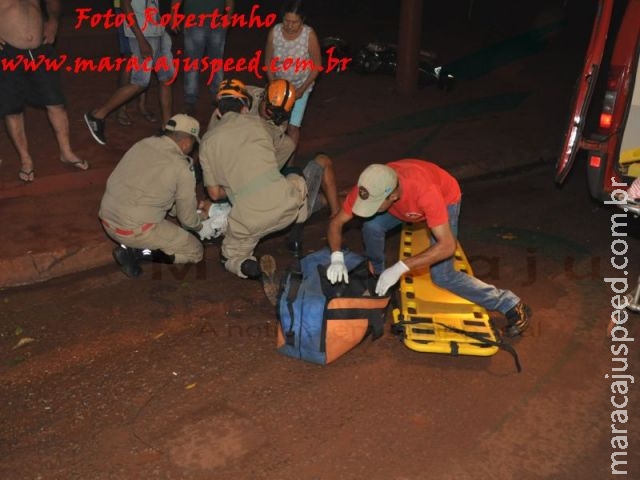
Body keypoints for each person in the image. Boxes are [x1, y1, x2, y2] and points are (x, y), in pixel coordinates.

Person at [326, 160, 532, 338]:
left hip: (445, 199)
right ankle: (378, 275)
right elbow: (336, 223)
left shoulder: (425, 192)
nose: (365, 209)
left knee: (443, 276)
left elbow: (447, 246)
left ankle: (510, 303)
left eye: (373, 204)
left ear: (393, 196)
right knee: (371, 225)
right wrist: (336, 257)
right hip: (405, 207)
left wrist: (400, 267)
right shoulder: (371, 186)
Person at [199, 78, 339, 288]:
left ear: (220, 111)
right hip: (287, 208)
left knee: (231, 257)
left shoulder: (209, 139)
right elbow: (287, 145)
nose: (270, 115)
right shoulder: (259, 123)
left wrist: (239, 183)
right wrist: (265, 173)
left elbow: (215, 193)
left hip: (249, 220)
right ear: (247, 107)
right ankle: (297, 225)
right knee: (295, 180)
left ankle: (248, 266)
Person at [99, 114, 211, 278]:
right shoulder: (181, 167)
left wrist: (175, 210)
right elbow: (187, 220)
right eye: (193, 143)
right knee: (195, 252)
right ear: (187, 141)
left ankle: (134, 246)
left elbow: (154, 185)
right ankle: (137, 253)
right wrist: (200, 223)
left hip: (107, 218)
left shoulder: (142, 144)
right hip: (131, 230)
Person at [0, 0, 88, 183]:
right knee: (12, 109)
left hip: (40, 51)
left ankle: (66, 152)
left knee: (56, 102)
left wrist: (54, 20)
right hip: (7, 52)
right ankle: (26, 160)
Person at [85, 0, 174, 145]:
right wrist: (141, 40)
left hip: (158, 31)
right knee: (140, 83)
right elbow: (126, 7)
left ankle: (167, 128)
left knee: (166, 78)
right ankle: (98, 115)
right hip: (142, 35)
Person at [264, 0, 322, 149]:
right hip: (278, 86)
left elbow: (316, 67)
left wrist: (302, 90)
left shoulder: (309, 35)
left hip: (300, 86)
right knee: (273, 124)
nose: (289, 26)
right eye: (286, 21)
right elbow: (268, 61)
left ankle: (289, 162)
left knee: (293, 127)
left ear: (302, 20)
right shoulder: (275, 32)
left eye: (294, 22)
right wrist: (273, 84)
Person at [207, 79, 298, 169]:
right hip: (230, 136)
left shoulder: (282, 116)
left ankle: (262, 178)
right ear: (264, 97)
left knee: (288, 145)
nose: (272, 116)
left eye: (277, 115)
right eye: (269, 112)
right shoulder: (244, 95)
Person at [171, 0, 234, 116]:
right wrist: (173, 16)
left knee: (216, 63)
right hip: (194, 22)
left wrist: (228, 17)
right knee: (193, 63)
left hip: (217, 22)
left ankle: (217, 96)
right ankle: (190, 99)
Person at [113, 0, 158, 126]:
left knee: (144, 58)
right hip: (126, 9)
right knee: (130, 59)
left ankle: (142, 105)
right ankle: (121, 108)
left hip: (144, 8)